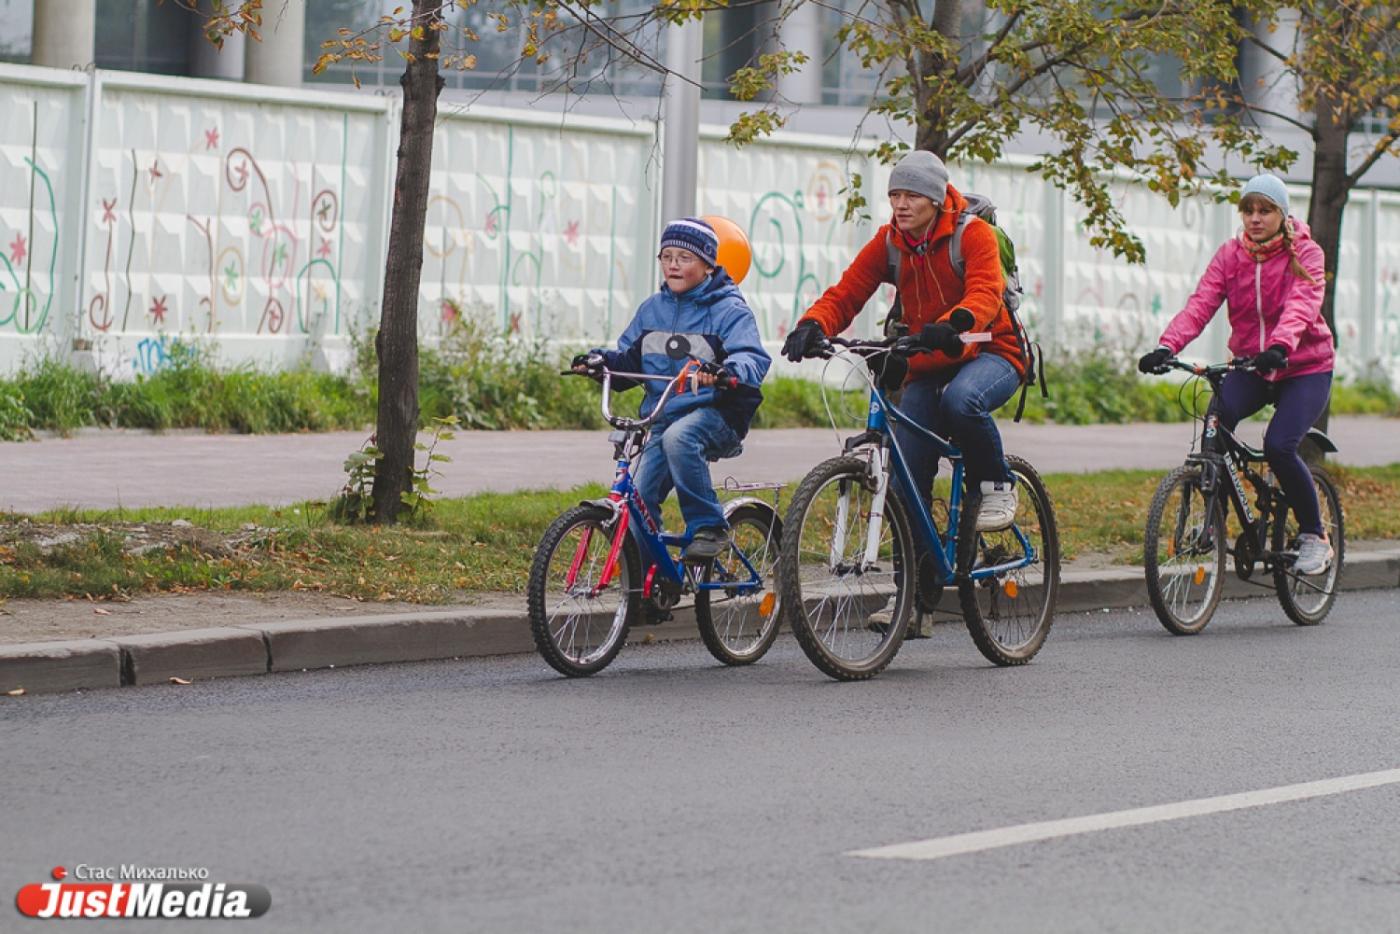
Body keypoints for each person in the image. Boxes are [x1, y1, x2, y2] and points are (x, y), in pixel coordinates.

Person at [780, 150, 1028, 533]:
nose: (900, 204)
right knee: (905, 479)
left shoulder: (972, 234)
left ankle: (996, 484)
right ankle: (918, 575)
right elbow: (847, 293)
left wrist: (954, 323)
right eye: (895, 195)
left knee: (961, 400)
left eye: (911, 195)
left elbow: (985, 292)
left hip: (993, 350)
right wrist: (813, 324)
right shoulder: (891, 242)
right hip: (930, 358)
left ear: (934, 198)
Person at [1138, 172, 1334, 575]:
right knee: (1216, 421)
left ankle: (1315, 535)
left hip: (1304, 366)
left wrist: (1280, 346)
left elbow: (1303, 304)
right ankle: (1213, 519)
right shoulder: (1231, 255)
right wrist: (1167, 346)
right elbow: (1201, 303)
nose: (1255, 218)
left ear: (1282, 214)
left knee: (1279, 445)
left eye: (1265, 210)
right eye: (1248, 210)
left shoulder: (1307, 253)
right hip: (1251, 365)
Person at [574, 218, 772, 562]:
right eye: (666, 257)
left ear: (708, 264)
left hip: (716, 413)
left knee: (680, 438)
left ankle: (709, 525)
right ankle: (646, 585)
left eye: (684, 257)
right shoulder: (652, 309)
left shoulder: (728, 309)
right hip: (663, 415)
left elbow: (752, 357)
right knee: (640, 497)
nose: (673, 265)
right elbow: (629, 360)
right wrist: (599, 363)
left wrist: (725, 371)